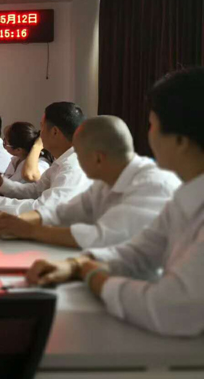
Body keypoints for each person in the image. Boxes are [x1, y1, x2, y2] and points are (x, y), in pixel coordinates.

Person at [25, 68, 203, 339]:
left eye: (152, 125)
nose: (149, 135)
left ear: (180, 140)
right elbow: (138, 252)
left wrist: (94, 277)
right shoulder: (185, 195)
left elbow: (170, 307)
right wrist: (75, 265)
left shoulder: (159, 184)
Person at [0, 116, 181, 248]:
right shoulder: (104, 182)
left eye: (80, 156)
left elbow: (102, 236)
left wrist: (30, 230)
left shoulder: (153, 184)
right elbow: (63, 212)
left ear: (98, 158)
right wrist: (20, 220)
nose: (78, 162)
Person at [0, 102, 91, 215]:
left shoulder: (73, 167)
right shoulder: (62, 162)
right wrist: (1, 183)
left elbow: (44, 207)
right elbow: (34, 191)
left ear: (54, 132)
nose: (39, 134)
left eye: (42, 127)